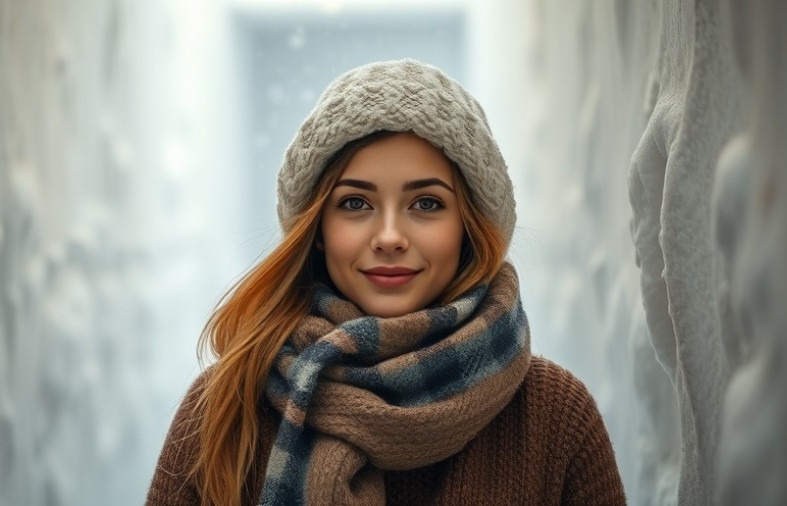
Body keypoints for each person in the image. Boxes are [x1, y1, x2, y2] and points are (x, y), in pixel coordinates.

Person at [145, 59, 625, 506]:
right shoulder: (226, 406)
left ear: (468, 226)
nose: (391, 237)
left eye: (427, 204)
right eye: (355, 203)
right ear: (317, 230)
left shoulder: (556, 416)